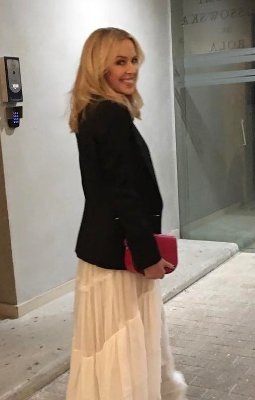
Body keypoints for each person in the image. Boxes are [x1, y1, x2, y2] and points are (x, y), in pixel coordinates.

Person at [67, 27, 187, 400]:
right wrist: (147, 256)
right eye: (120, 61)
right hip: (122, 252)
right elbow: (123, 194)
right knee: (124, 342)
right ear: (99, 66)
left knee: (105, 344)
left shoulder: (90, 112)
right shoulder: (111, 115)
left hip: (101, 247)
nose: (131, 69)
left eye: (134, 60)